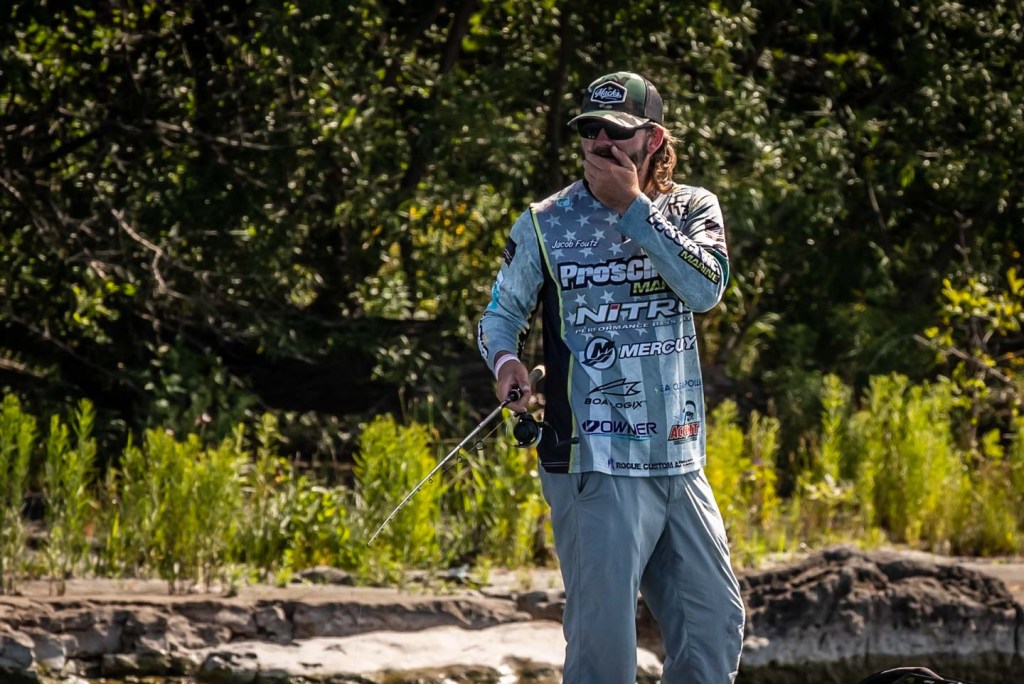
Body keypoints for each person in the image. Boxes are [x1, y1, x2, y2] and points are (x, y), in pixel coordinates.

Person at [477, 71, 745, 683]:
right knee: (606, 654)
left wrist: (633, 209)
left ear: (653, 140)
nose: (601, 142)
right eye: (590, 130)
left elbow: (705, 290)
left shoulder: (693, 208)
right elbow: (500, 315)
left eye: (617, 131)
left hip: (680, 458)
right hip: (592, 462)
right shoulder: (545, 221)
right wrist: (507, 362)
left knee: (715, 628)